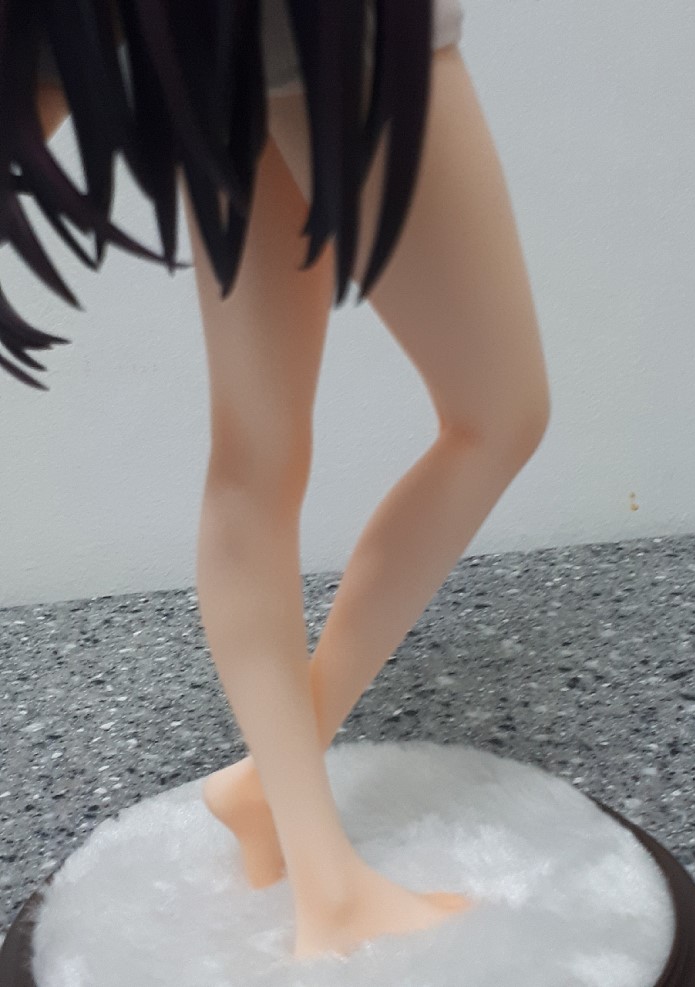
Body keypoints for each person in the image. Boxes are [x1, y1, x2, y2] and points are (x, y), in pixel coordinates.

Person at [24, 0, 550, 961]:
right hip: (327, 30)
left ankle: (285, 811)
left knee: (255, 456)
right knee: (497, 414)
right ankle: (312, 860)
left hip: (200, 47)